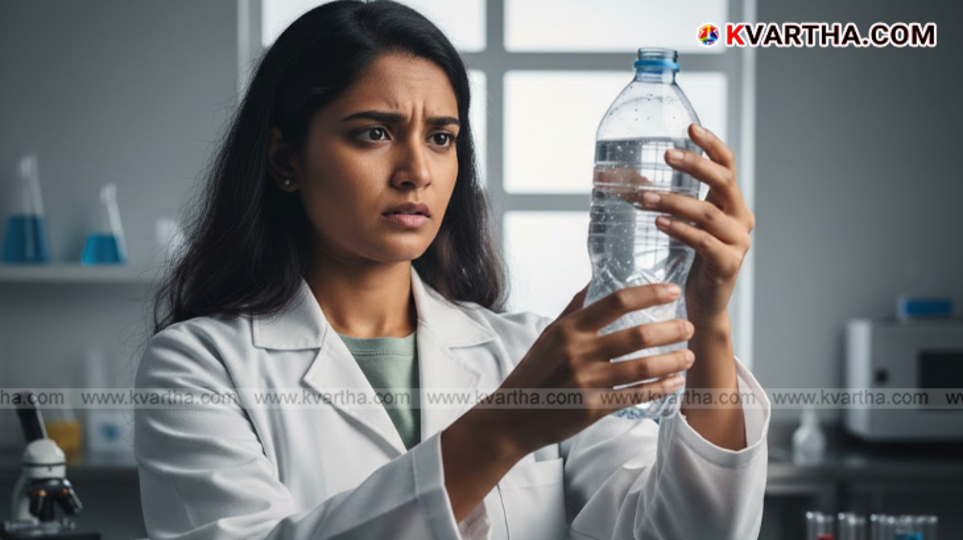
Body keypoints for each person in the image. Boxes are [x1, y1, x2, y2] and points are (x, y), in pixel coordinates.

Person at [134, 1, 770, 538]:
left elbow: (681, 530)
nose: (418, 170)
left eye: (441, 137)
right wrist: (505, 427)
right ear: (285, 160)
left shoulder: (521, 350)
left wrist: (707, 318)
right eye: (372, 134)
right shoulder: (196, 366)